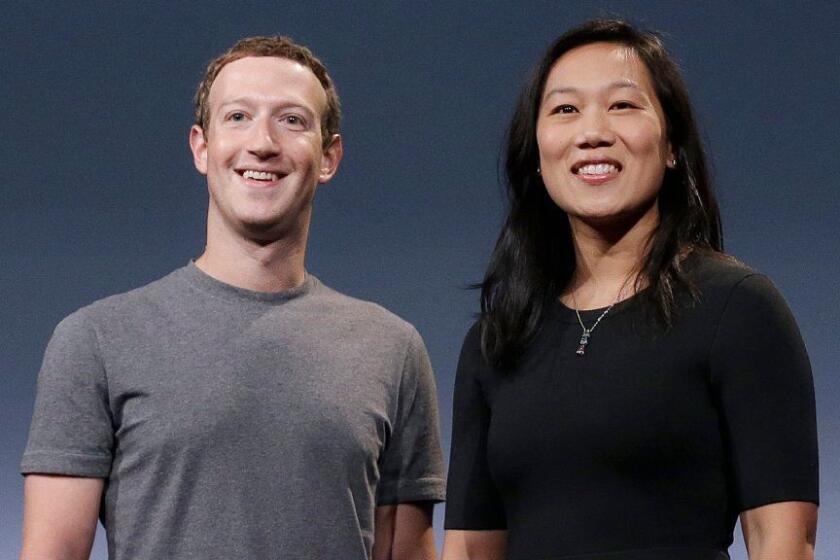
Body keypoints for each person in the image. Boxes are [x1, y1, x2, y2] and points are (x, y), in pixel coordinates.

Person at [20, 36, 445, 560]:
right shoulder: (96, 341)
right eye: (238, 116)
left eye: (291, 120)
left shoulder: (392, 348)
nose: (262, 142)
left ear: (329, 156)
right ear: (201, 147)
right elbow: (52, 551)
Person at [442, 19, 818, 560]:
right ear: (537, 150)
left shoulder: (737, 308)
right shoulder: (497, 338)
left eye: (622, 105)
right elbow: (472, 550)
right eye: (565, 110)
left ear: (670, 146)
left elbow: (782, 539)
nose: (591, 131)